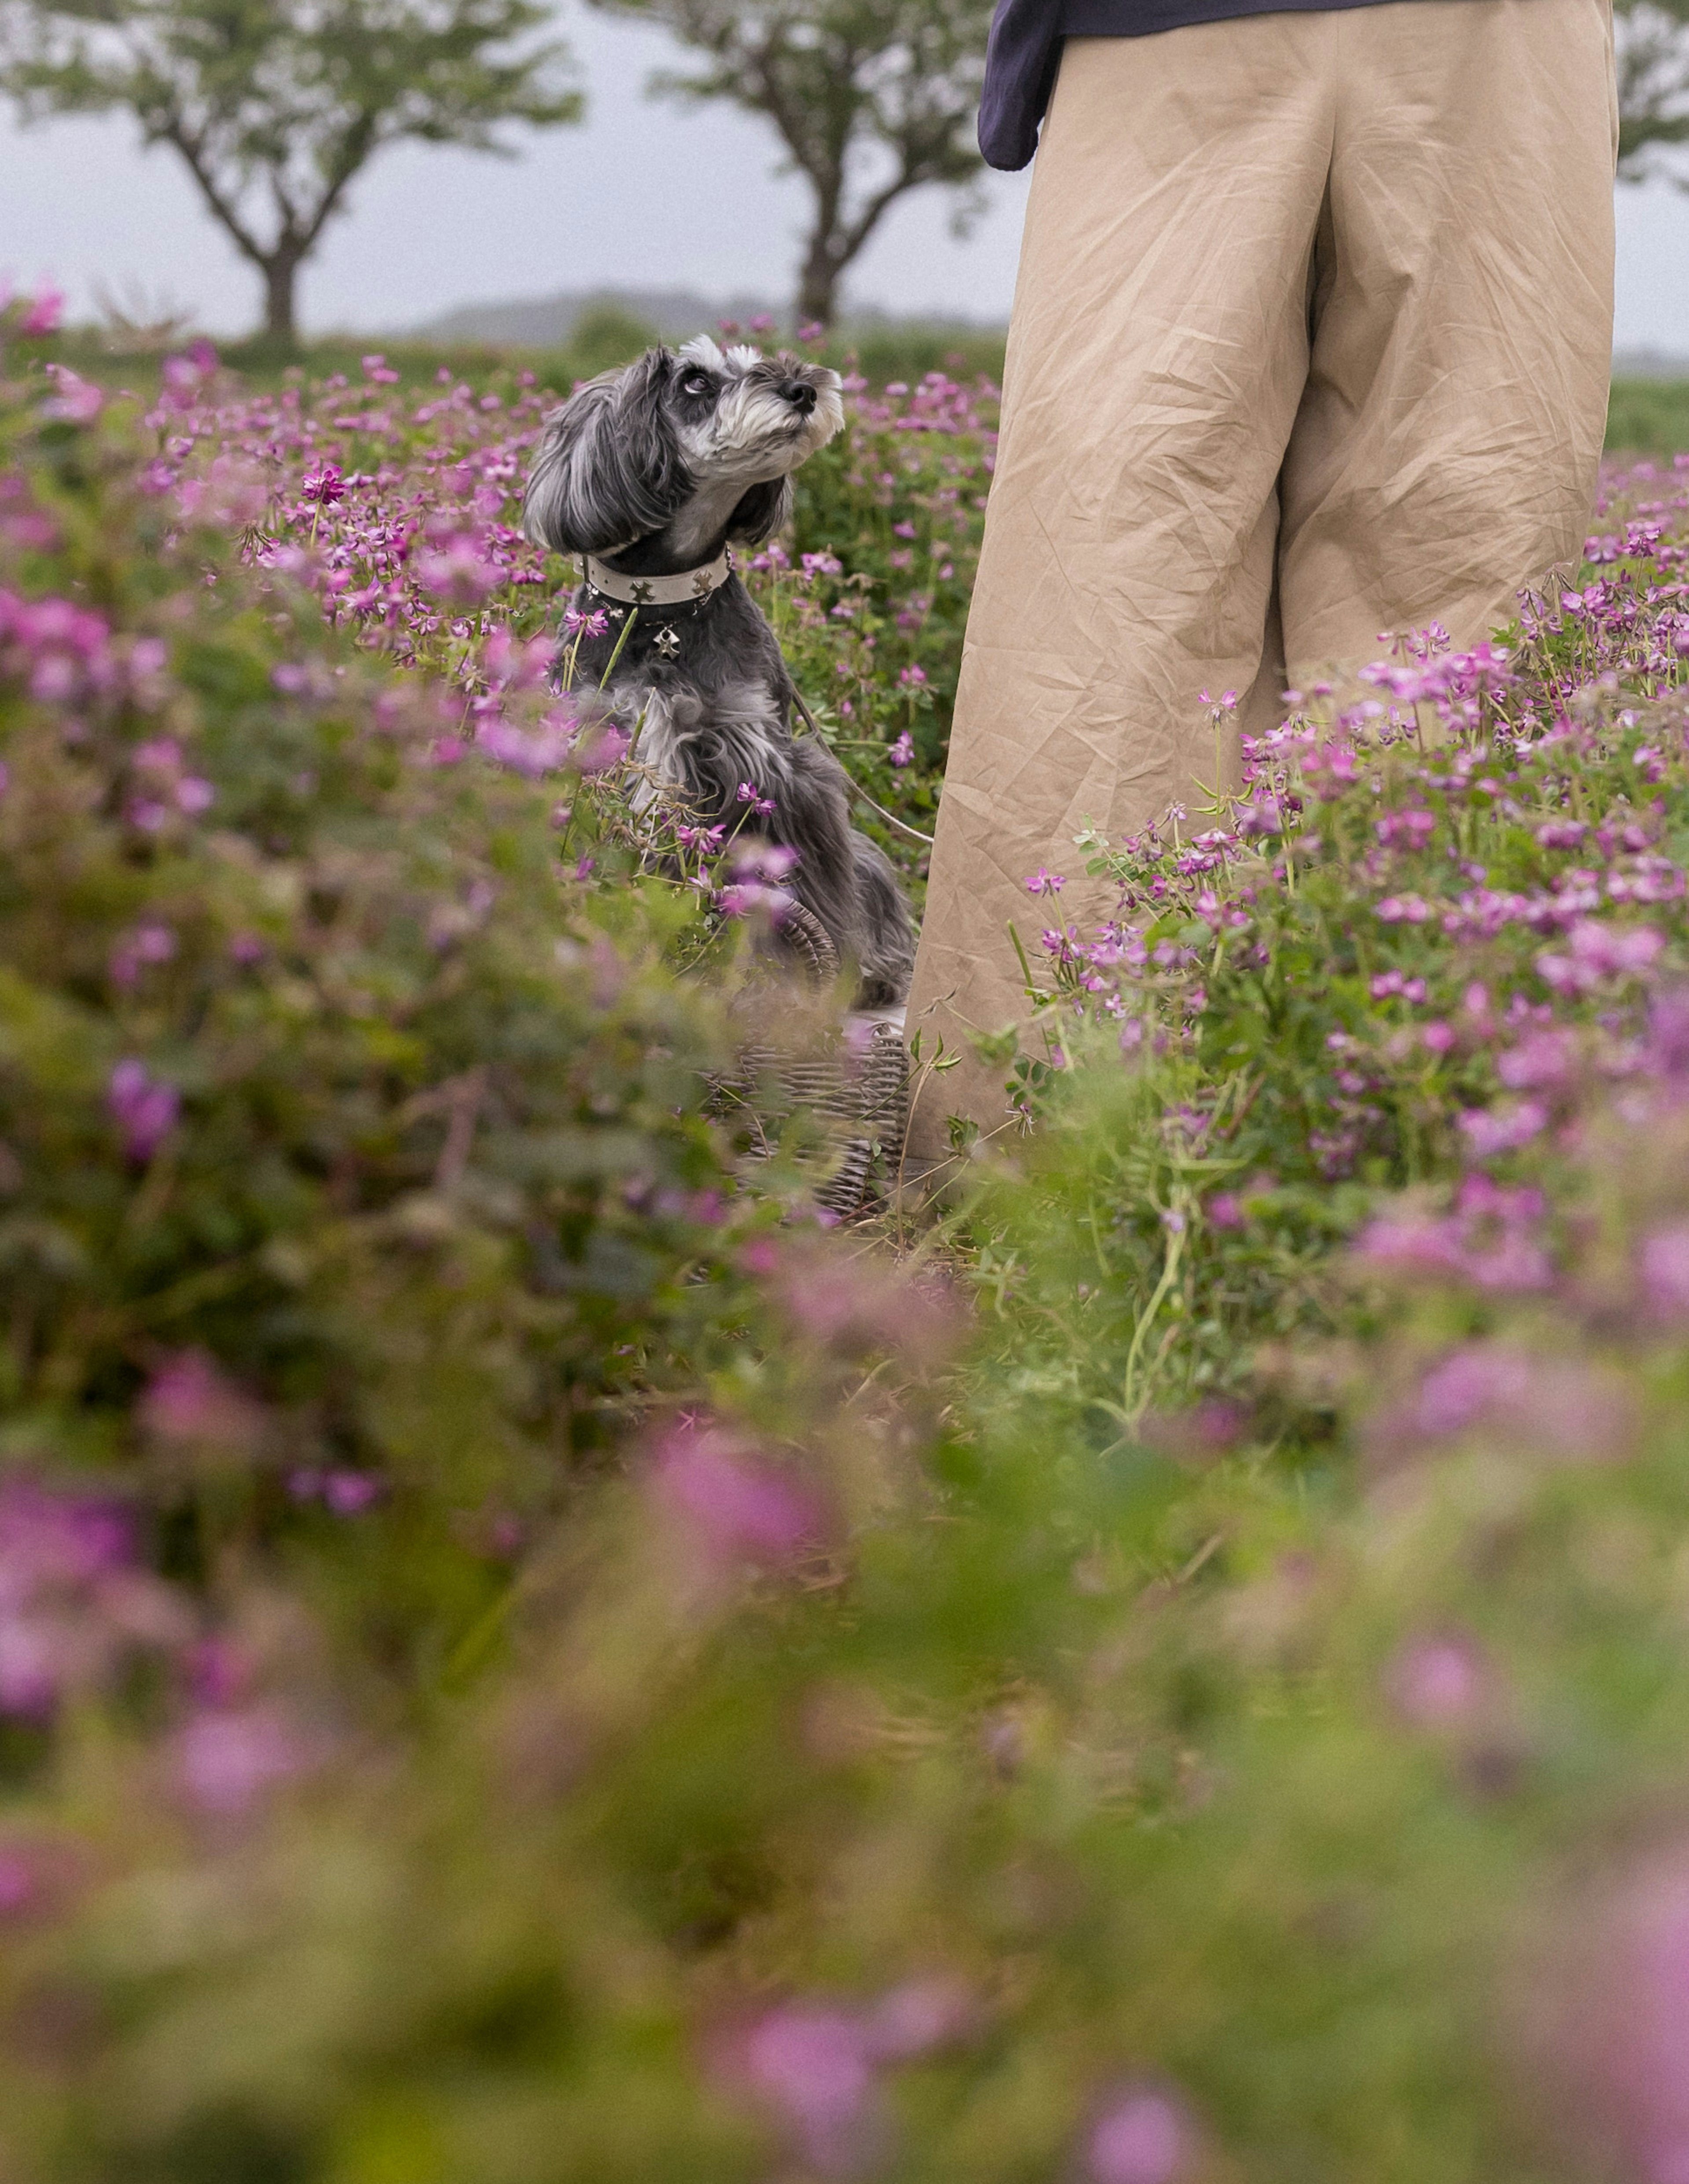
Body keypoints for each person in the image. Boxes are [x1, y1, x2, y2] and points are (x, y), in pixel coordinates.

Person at [903, 0, 1617, 1166]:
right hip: (1170, 32)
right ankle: (1050, 1186)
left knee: (1451, 579)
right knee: (1110, 590)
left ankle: (1411, 1177)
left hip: (1482, 31)